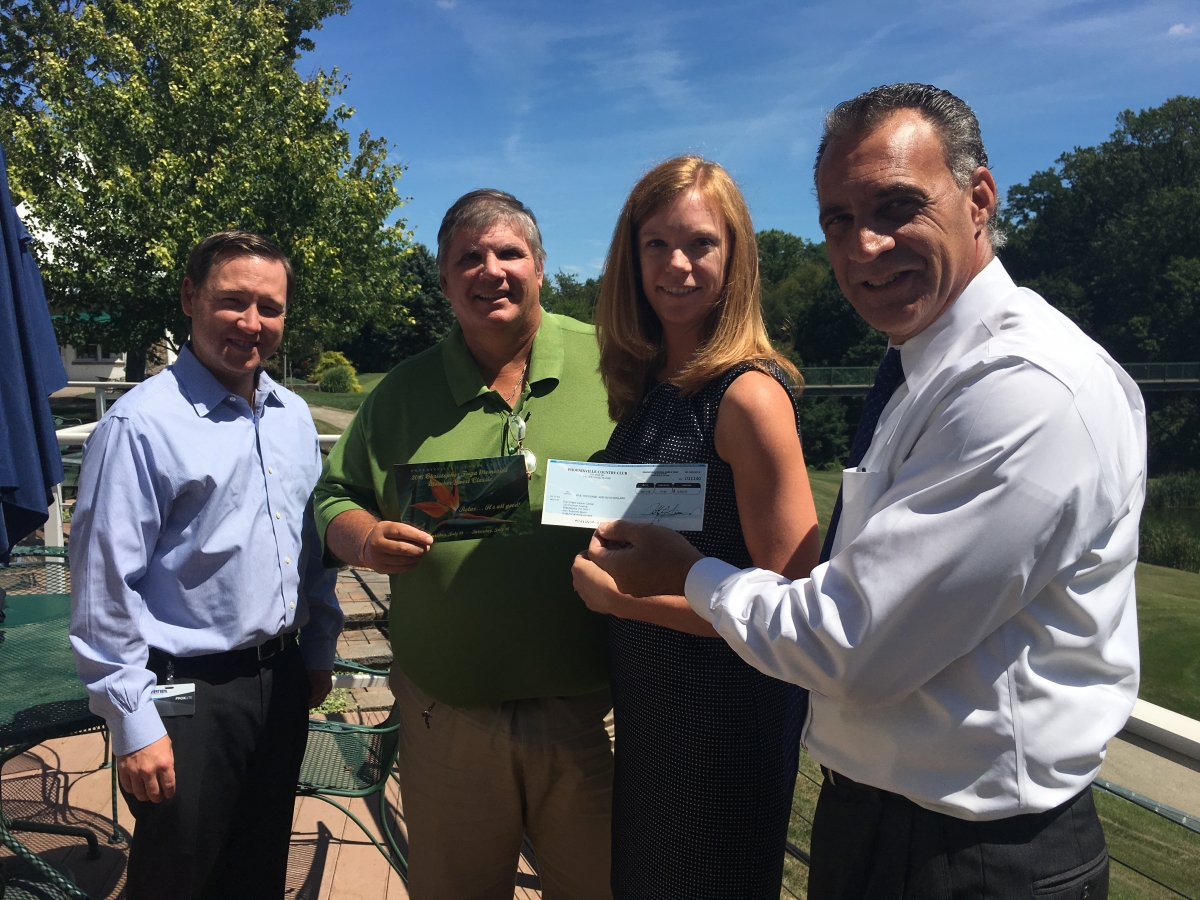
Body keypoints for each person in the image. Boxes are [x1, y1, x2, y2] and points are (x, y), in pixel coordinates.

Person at [585, 84, 1145, 899]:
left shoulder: (1027, 390)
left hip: (979, 852)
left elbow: (844, 638)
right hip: (879, 820)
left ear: (978, 197)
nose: (866, 246)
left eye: (897, 206)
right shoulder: (922, 373)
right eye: (838, 221)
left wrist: (669, 580)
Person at [314, 189, 615, 899]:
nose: (492, 271)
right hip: (447, 712)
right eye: (468, 259)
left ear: (541, 267)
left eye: (510, 252)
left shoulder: (616, 365)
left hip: (590, 711)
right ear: (445, 281)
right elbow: (332, 496)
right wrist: (363, 538)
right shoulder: (402, 393)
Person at [570, 156, 819, 898]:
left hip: (722, 730)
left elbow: (793, 610)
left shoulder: (747, 397)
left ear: (734, 256)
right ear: (631, 255)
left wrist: (623, 603)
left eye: (701, 245)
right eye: (656, 245)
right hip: (653, 718)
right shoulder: (653, 390)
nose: (677, 265)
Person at [69, 231, 343, 899]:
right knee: (178, 878)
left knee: (256, 868)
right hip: (184, 695)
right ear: (191, 298)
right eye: (233, 301)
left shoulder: (293, 417)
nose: (253, 324)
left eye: (270, 308)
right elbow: (105, 586)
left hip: (279, 682)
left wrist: (318, 649)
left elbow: (310, 548)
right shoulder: (140, 426)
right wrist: (133, 724)